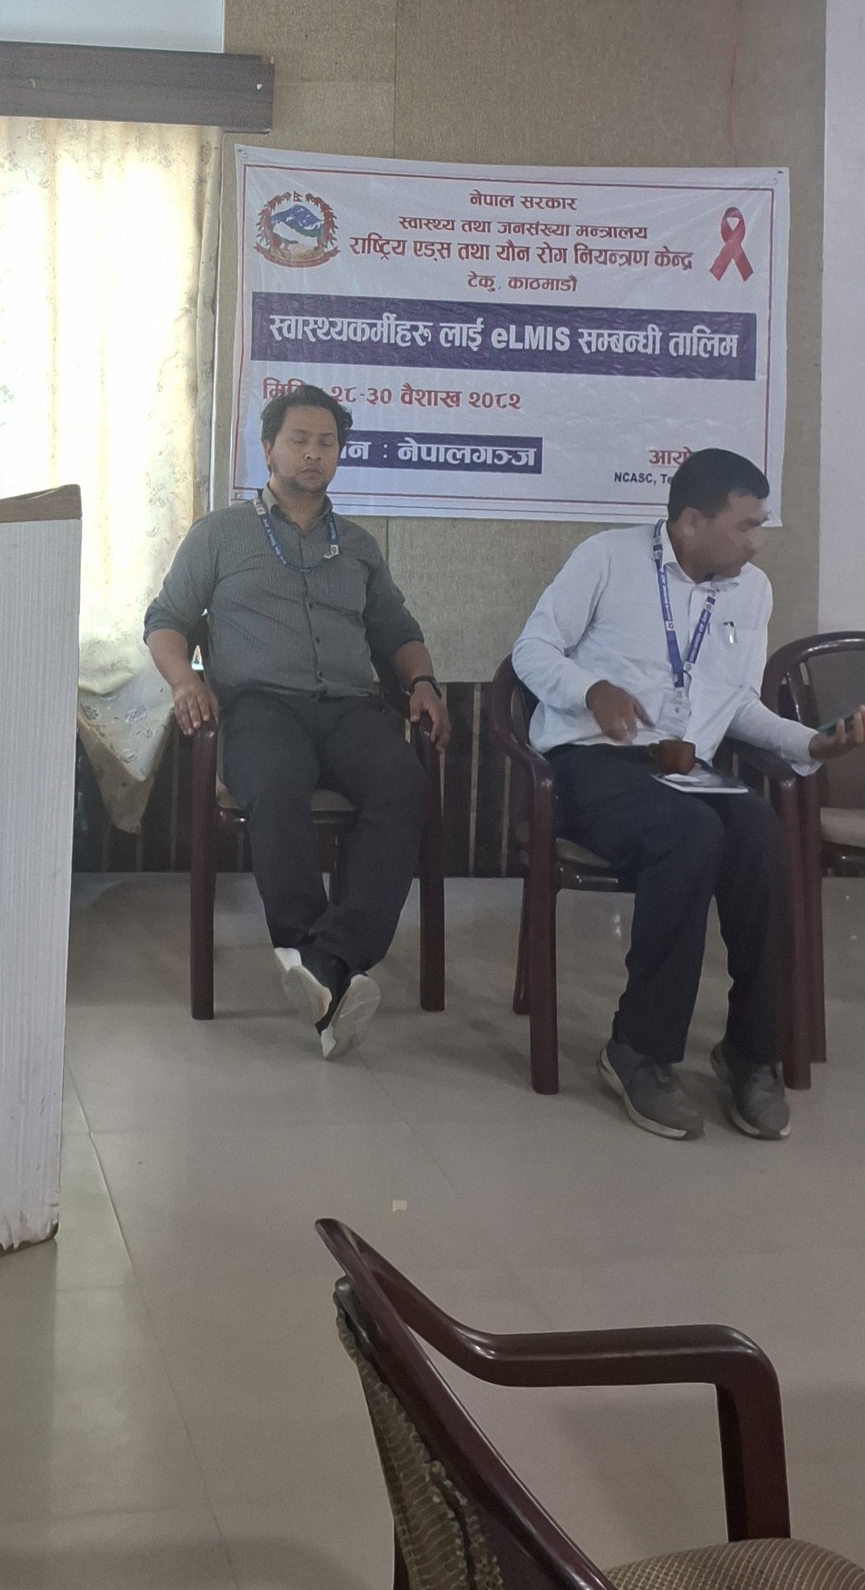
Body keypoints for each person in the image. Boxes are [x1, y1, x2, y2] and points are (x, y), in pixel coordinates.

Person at [512, 446, 865, 1144]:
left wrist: (811, 743)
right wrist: (592, 688)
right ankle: (638, 1049)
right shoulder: (606, 558)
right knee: (690, 834)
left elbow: (738, 704)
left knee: (758, 833)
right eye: (745, 525)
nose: (756, 541)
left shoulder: (751, 590)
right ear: (692, 521)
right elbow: (532, 649)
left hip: (680, 765)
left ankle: (750, 1051)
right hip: (591, 761)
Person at [145, 383, 446, 1057]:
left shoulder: (359, 546)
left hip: (348, 707)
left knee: (402, 782)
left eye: (326, 443)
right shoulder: (219, 534)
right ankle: (320, 955)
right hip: (258, 706)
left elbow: (397, 630)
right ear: (268, 449)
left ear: (339, 453)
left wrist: (423, 682)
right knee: (277, 780)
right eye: (299, 440)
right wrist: (185, 680)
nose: (313, 454)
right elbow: (165, 620)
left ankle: (324, 961)